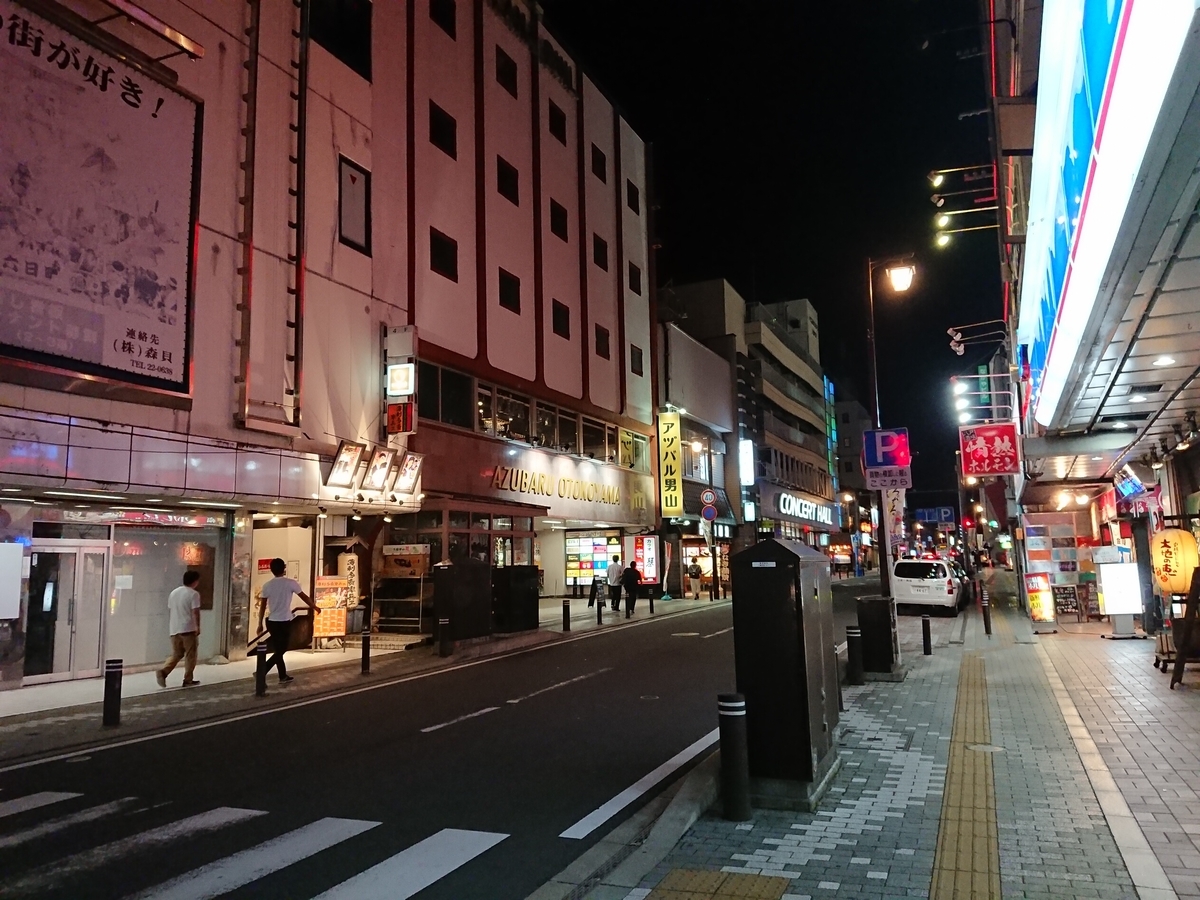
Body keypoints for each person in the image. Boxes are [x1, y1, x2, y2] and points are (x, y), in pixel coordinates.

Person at [259, 558, 319, 684]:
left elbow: (263, 606)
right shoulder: (291, 583)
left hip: (271, 621)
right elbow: (304, 597)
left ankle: (282, 676)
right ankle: (262, 670)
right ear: (284, 568)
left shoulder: (267, 585)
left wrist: (259, 624)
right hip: (284, 621)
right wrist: (314, 607)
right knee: (282, 649)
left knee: (278, 649)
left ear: (271, 570)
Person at [157, 571, 202, 688]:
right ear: (195, 581)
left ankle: (163, 671)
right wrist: (197, 626)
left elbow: (171, 608)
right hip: (188, 628)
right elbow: (195, 612)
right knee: (190, 655)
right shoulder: (194, 594)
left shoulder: (173, 593)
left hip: (174, 628)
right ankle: (188, 679)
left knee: (177, 654)